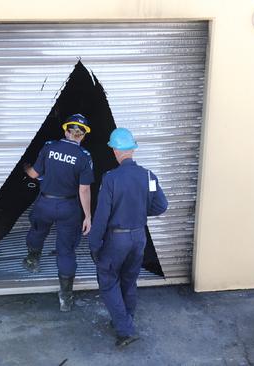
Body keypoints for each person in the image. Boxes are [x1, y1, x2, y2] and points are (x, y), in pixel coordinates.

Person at [89, 127, 168, 348]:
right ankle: (126, 320)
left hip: (117, 240)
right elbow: (162, 206)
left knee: (107, 281)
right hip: (138, 237)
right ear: (132, 149)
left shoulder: (111, 178)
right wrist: (140, 211)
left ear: (115, 150)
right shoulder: (148, 176)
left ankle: (125, 329)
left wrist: (94, 244)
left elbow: (101, 216)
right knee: (129, 280)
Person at [22, 113, 93, 312]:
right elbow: (84, 189)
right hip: (69, 207)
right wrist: (87, 215)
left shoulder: (49, 146)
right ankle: (65, 297)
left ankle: (32, 260)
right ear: (83, 135)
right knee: (66, 250)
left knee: (37, 231)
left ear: (65, 130)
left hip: (45, 203)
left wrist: (26, 167)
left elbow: (34, 175)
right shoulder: (84, 157)